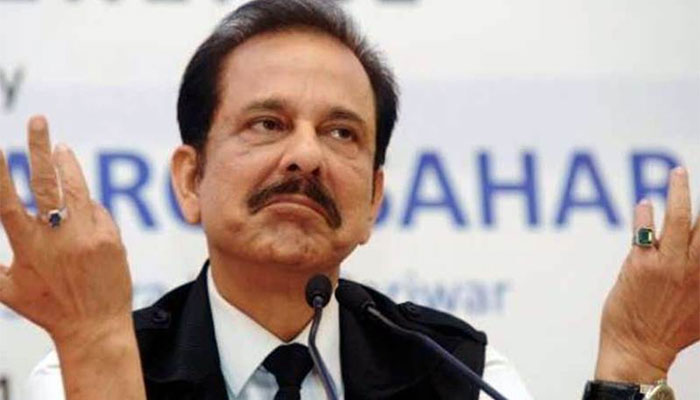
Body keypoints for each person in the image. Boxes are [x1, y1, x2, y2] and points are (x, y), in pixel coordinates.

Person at [0, 0, 697, 399]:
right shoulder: (81, 373)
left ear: (373, 200)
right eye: (267, 123)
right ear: (190, 180)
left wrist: (633, 364)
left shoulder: (460, 377)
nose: (306, 155)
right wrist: (97, 345)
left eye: (341, 133)